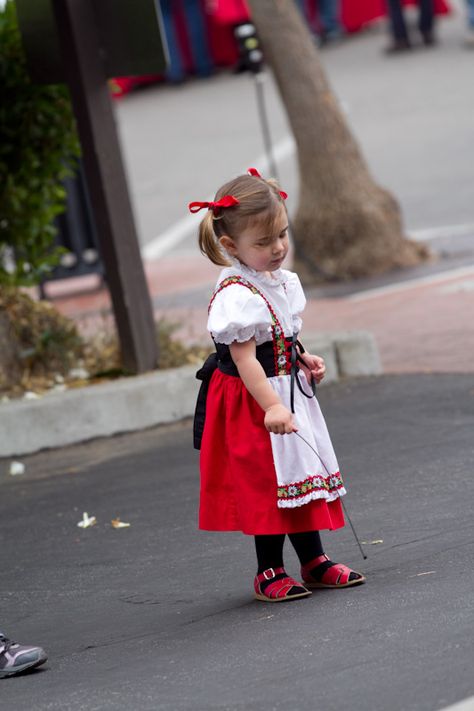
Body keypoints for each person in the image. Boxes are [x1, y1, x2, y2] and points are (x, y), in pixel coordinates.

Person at [189, 169, 365, 603]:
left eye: (282, 235)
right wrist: (271, 406)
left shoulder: (279, 282)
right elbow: (245, 358)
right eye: (264, 242)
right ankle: (268, 569)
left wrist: (301, 355)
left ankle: (314, 559)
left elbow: (280, 335)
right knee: (269, 483)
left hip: (285, 390)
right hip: (254, 400)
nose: (278, 248)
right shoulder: (236, 293)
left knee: (301, 474)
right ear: (231, 246)